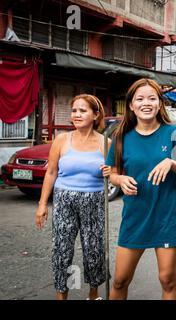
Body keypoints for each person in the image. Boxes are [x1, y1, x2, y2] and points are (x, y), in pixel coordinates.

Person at [105, 78, 176, 300]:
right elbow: (112, 172)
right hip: (134, 218)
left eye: (152, 98)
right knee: (119, 280)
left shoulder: (174, 132)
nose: (146, 103)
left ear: (159, 104)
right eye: (140, 99)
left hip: (166, 218)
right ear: (131, 105)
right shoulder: (121, 136)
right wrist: (120, 180)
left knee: (168, 280)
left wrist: (171, 163)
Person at [35, 94, 108, 300]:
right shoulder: (61, 140)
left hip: (93, 201)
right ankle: (62, 295)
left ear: (95, 115)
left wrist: (110, 172)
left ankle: (93, 294)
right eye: (74, 110)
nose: (76, 114)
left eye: (82, 110)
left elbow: (118, 174)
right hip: (64, 201)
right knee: (62, 250)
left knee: (94, 251)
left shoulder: (106, 143)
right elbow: (51, 173)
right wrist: (42, 204)